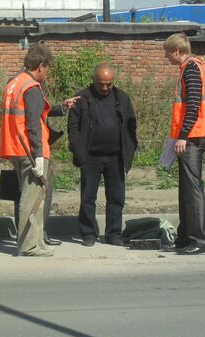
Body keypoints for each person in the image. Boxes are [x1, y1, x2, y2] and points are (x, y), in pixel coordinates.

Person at [0, 44, 79, 256]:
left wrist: (60, 107)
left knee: (31, 195)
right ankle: (29, 246)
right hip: (29, 149)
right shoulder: (32, 87)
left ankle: (35, 242)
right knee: (32, 198)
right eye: (48, 69)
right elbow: (33, 124)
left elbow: (32, 113)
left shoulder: (15, 82)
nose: (47, 73)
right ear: (41, 66)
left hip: (14, 146)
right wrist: (38, 157)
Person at [67, 63, 138, 246]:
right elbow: (73, 127)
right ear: (94, 80)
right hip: (90, 157)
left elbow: (131, 124)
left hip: (116, 157)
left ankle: (114, 234)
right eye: (101, 84)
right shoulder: (82, 98)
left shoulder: (122, 98)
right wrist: (77, 149)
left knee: (116, 198)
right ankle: (88, 233)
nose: (105, 87)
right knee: (88, 197)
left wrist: (130, 147)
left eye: (109, 83)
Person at [163, 33, 205, 255]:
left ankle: (199, 242)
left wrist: (182, 136)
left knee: (192, 190)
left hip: (193, 137)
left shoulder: (191, 68)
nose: (166, 57)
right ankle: (186, 237)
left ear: (176, 51)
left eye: (167, 53)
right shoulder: (190, 67)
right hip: (192, 135)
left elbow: (193, 105)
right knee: (186, 189)